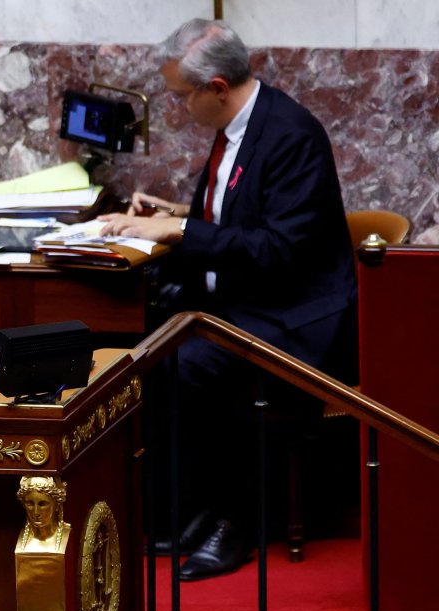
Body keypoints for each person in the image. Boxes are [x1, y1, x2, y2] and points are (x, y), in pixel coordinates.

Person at [98, 19, 356, 581]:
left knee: (193, 366)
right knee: (153, 352)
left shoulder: (290, 134)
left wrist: (180, 232)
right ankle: (198, 509)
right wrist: (171, 214)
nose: (177, 109)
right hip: (241, 307)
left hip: (293, 320)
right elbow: (239, 217)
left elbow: (280, 251)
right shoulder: (239, 125)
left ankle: (240, 523)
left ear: (216, 87)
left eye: (180, 96)